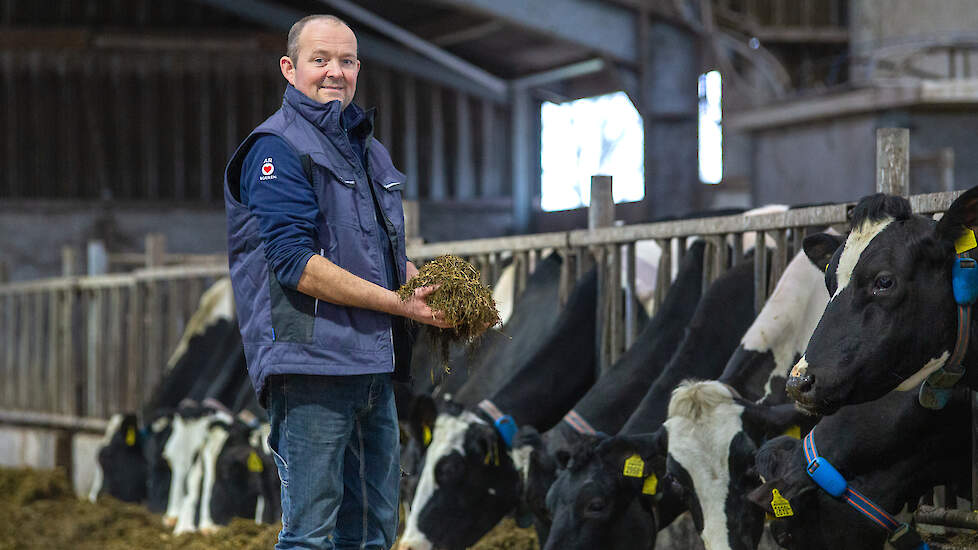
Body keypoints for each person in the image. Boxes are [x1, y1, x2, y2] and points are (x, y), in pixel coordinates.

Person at [223, 14, 450, 550]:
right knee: (311, 534)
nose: (335, 72)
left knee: (374, 530)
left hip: (375, 364)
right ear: (289, 67)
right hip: (311, 366)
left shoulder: (369, 152)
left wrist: (422, 287)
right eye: (319, 60)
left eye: (346, 61)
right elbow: (294, 263)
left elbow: (386, 254)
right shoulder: (276, 148)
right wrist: (400, 304)